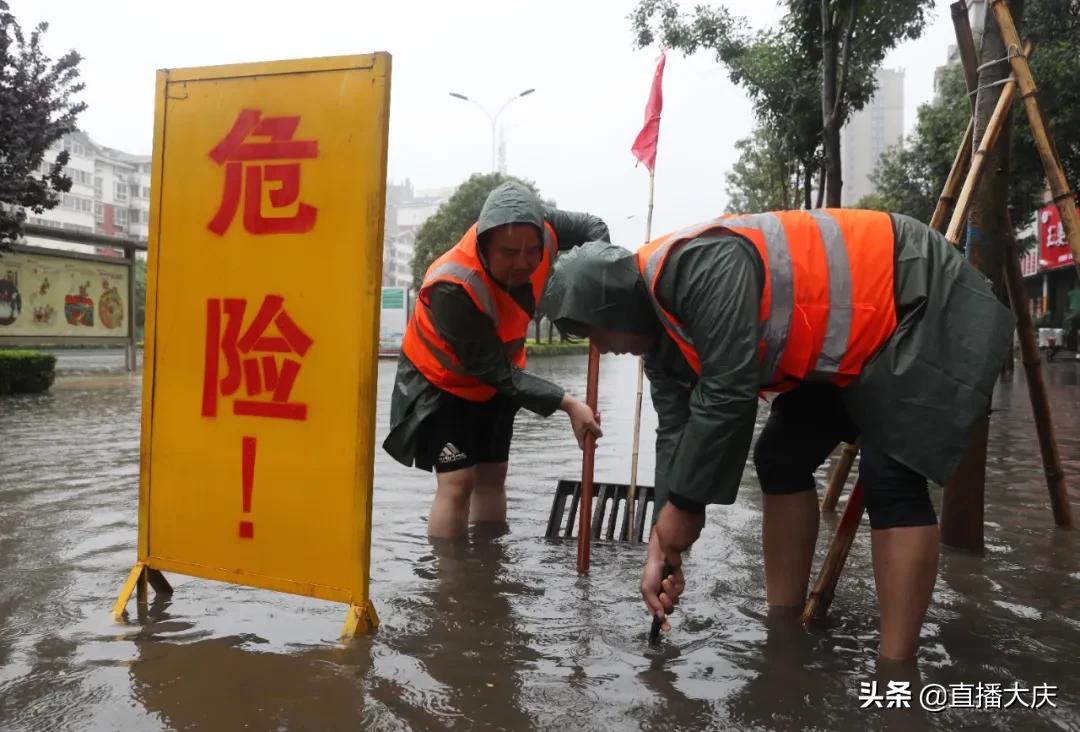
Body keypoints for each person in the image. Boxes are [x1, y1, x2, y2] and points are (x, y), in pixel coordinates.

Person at [541, 209, 1014, 660]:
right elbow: (676, 436)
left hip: (918, 299)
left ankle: (897, 669)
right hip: (850, 348)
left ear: (620, 310)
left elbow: (729, 393)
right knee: (780, 457)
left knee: (890, 473)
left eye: (596, 333)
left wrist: (685, 509)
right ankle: (783, 627)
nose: (601, 348)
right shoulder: (662, 344)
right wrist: (661, 545)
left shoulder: (700, 266)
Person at [384, 182, 608, 540]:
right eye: (507, 252)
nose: (522, 263)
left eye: (531, 251)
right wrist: (568, 404)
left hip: (502, 376)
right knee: (458, 481)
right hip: (442, 383)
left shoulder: (542, 225)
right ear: (483, 244)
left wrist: (597, 273)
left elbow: (593, 227)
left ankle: (488, 567)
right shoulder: (451, 285)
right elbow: (492, 370)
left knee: (493, 475)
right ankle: (453, 583)